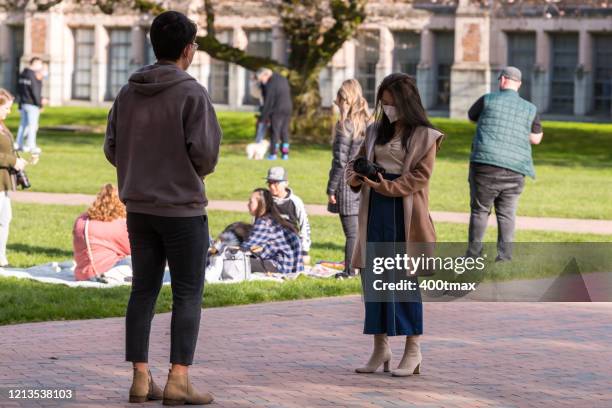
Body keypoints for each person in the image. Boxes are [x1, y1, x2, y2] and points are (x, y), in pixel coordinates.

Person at [103, 10, 222, 405]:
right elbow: (205, 154)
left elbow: (111, 148)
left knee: (143, 290)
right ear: (188, 49)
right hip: (183, 209)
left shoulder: (127, 91)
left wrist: (139, 168)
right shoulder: (192, 93)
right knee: (188, 294)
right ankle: (178, 378)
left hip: (139, 206)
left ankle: (140, 377)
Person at [345, 73, 444, 377]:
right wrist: (360, 176)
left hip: (405, 211)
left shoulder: (425, 135)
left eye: (391, 102)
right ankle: (380, 347)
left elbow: (420, 177)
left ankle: (413, 350)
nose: (387, 108)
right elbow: (356, 163)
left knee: (402, 280)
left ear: (405, 101)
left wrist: (384, 186)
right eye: (383, 102)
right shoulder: (375, 131)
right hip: (374, 210)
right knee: (374, 279)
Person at [466, 66, 543, 261]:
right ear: (519, 84)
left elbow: (471, 117)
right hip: (516, 169)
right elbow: (536, 139)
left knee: (480, 211)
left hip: (485, 165)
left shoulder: (487, 100)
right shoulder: (530, 109)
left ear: (501, 80)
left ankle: (473, 256)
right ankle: (504, 258)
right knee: (507, 214)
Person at [326, 79, 370, 279]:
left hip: (347, 183)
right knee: (362, 229)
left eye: (338, 98)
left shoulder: (345, 126)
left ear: (345, 99)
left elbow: (340, 161)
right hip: (366, 182)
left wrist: (331, 189)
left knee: (352, 232)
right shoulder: (368, 123)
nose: (335, 101)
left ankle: (350, 270)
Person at [72, 184, 130, 281]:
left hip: (81, 273)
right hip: (106, 272)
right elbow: (132, 249)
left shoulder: (81, 220)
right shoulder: (119, 225)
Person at [241, 188, 303, 274]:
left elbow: (245, 248)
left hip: (280, 267)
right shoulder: (273, 218)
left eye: (251, 202)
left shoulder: (264, 222)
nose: (248, 205)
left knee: (236, 261)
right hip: (292, 266)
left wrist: (227, 247)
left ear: (261, 203)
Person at [0, 89, 28, 267]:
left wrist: (18, 160)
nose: (9, 111)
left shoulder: (2, 125)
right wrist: (13, 161)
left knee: (5, 218)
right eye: (6, 108)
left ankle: (1, 256)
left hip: (3, 181)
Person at [265, 166, 311, 265]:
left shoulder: (295, 202)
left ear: (286, 183)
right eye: (269, 183)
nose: (272, 187)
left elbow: (304, 226)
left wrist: (305, 251)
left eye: (276, 183)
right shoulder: (265, 201)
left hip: (290, 244)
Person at [256, 68, 293, 160]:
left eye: (262, 79)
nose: (262, 82)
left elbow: (268, 101)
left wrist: (263, 117)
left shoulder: (271, 83)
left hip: (277, 110)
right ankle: (285, 154)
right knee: (284, 131)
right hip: (288, 108)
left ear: (265, 75)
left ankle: (273, 154)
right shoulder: (282, 78)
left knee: (275, 131)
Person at [15, 57, 44, 154]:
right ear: (34, 63)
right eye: (40, 64)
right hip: (32, 104)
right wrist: (39, 104)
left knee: (23, 125)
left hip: (23, 103)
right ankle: (31, 146)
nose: (41, 66)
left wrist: (19, 104)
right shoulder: (33, 76)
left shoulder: (23, 74)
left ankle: (18, 144)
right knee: (32, 126)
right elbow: (35, 91)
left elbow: (19, 90)